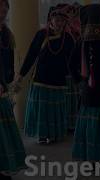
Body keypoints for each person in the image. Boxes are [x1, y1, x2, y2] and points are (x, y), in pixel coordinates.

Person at [15, 5, 75, 144]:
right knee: (42, 109)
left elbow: (73, 60)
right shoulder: (42, 34)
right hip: (41, 78)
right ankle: (42, 135)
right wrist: (21, 75)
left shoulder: (68, 38)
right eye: (57, 20)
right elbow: (31, 54)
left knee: (54, 109)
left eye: (62, 20)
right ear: (51, 20)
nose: (59, 23)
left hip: (59, 79)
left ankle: (54, 134)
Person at [72, 4, 100, 172]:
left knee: (91, 128)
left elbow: (71, 64)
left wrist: (80, 81)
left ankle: (92, 160)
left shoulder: (82, 40)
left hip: (89, 91)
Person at [0, 1, 27, 179]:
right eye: (0, 8)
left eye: (5, 9)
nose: (3, 11)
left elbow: (8, 64)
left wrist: (10, 82)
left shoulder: (7, 35)